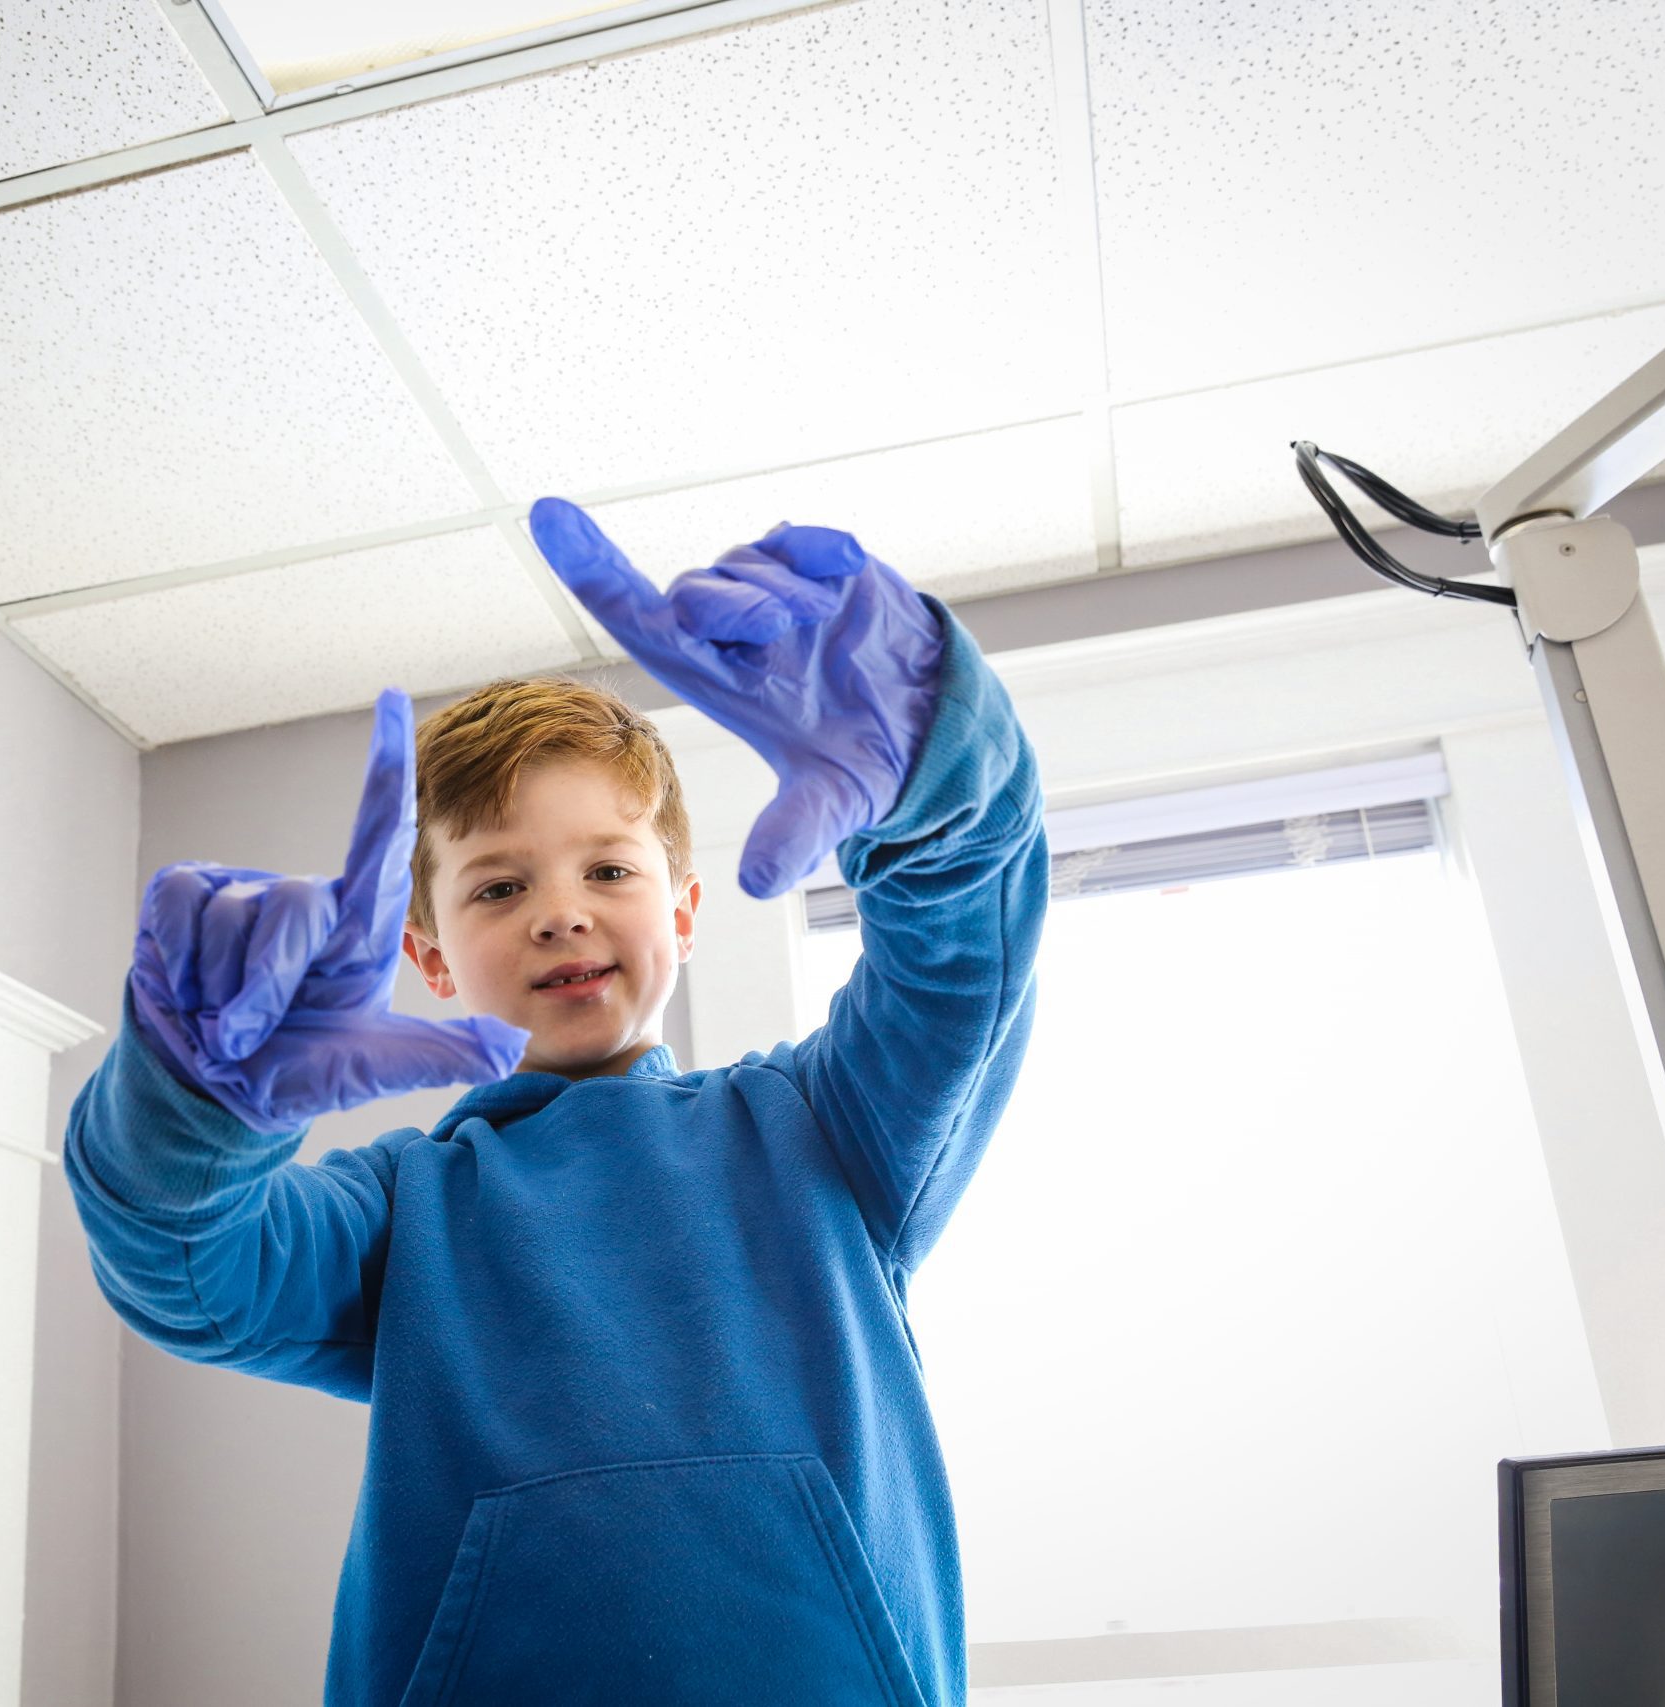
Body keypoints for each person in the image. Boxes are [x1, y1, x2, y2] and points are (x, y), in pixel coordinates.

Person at [63, 496, 1048, 1705]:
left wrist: (937, 777)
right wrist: (192, 1103)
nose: (560, 911)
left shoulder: (822, 1130)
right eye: (495, 886)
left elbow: (960, 977)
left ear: (682, 912)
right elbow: (190, 1267)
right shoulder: (404, 1207)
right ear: (428, 958)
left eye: (609, 869)